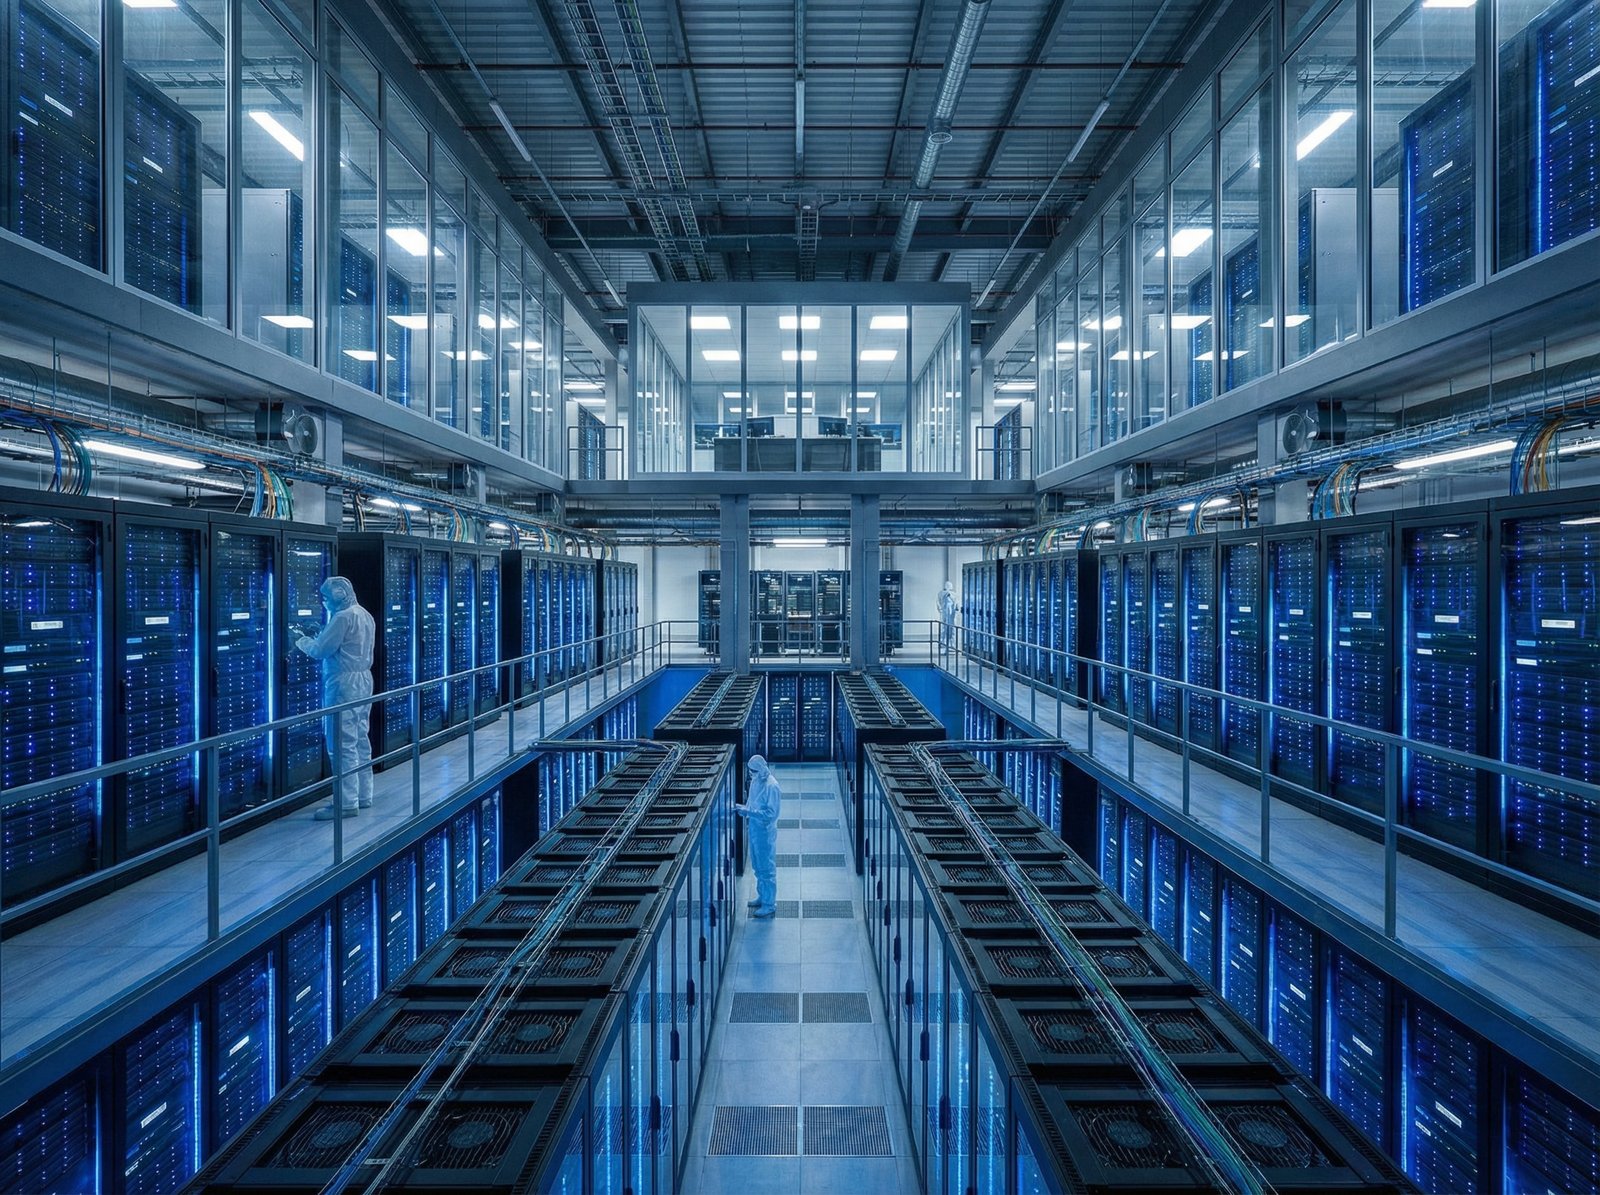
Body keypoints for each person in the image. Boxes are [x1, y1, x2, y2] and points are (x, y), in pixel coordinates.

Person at [295, 576, 376, 820]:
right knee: (360, 738)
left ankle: (346, 803)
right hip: (364, 680)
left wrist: (300, 640)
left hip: (344, 684)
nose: (325, 602)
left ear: (339, 595)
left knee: (341, 743)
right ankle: (363, 795)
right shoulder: (364, 614)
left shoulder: (342, 617)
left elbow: (320, 650)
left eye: (326, 598)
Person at [735, 754, 782, 917]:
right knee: (757, 866)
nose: (751, 774)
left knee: (766, 868)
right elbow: (753, 803)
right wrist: (744, 808)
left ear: (761, 769)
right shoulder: (756, 781)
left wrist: (748, 812)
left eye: (753, 771)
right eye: (749, 771)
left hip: (765, 833)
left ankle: (769, 904)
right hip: (755, 829)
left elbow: (771, 814)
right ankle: (762, 896)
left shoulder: (772, 786)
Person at [938, 580, 959, 648]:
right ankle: (942, 642)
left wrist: (956, 610)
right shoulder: (941, 593)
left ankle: (952, 643)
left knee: (952, 628)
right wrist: (941, 610)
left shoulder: (954, 594)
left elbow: (956, 603)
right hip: (944, 613)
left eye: (949, 586)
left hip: (952, 613)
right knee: (943, 627)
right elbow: (938, 602)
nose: (948, 587)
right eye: (947, 585)